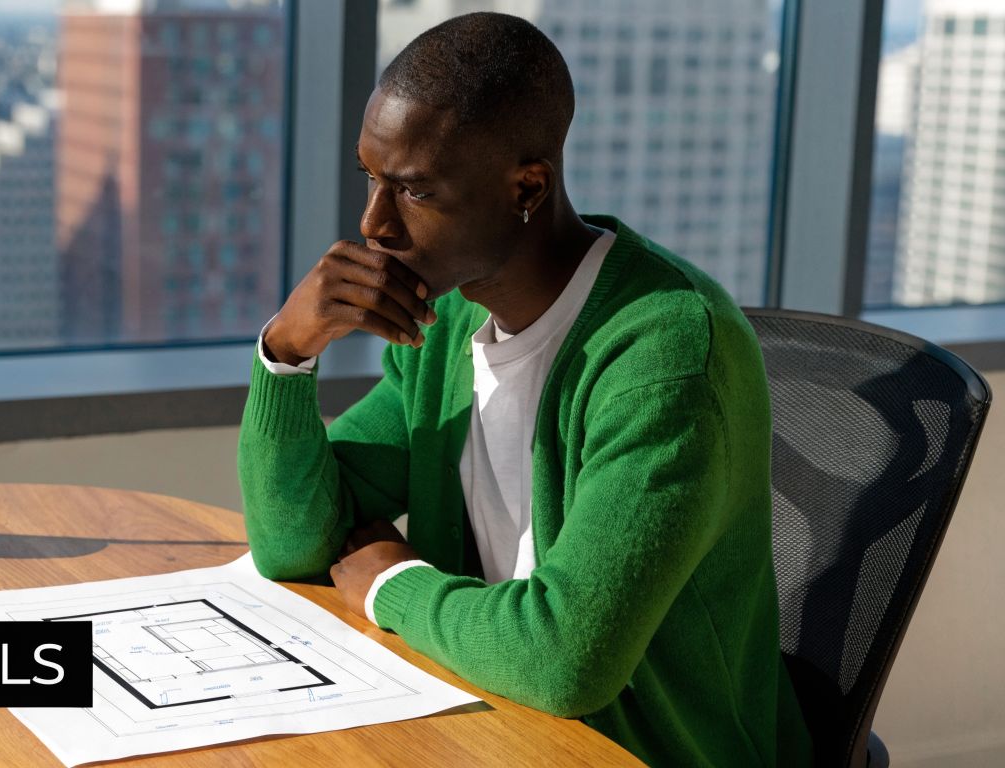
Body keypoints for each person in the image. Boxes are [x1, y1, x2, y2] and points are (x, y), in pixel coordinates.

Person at [236, 12, 813, 766]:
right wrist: (286, 352)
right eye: (370, 179)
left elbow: (564, 663)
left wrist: (394, 585)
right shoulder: (446, 324)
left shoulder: (662, 356)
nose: (373, 224)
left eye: (413, 191)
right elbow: (295, 544)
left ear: (527, 187)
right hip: (491, 728)